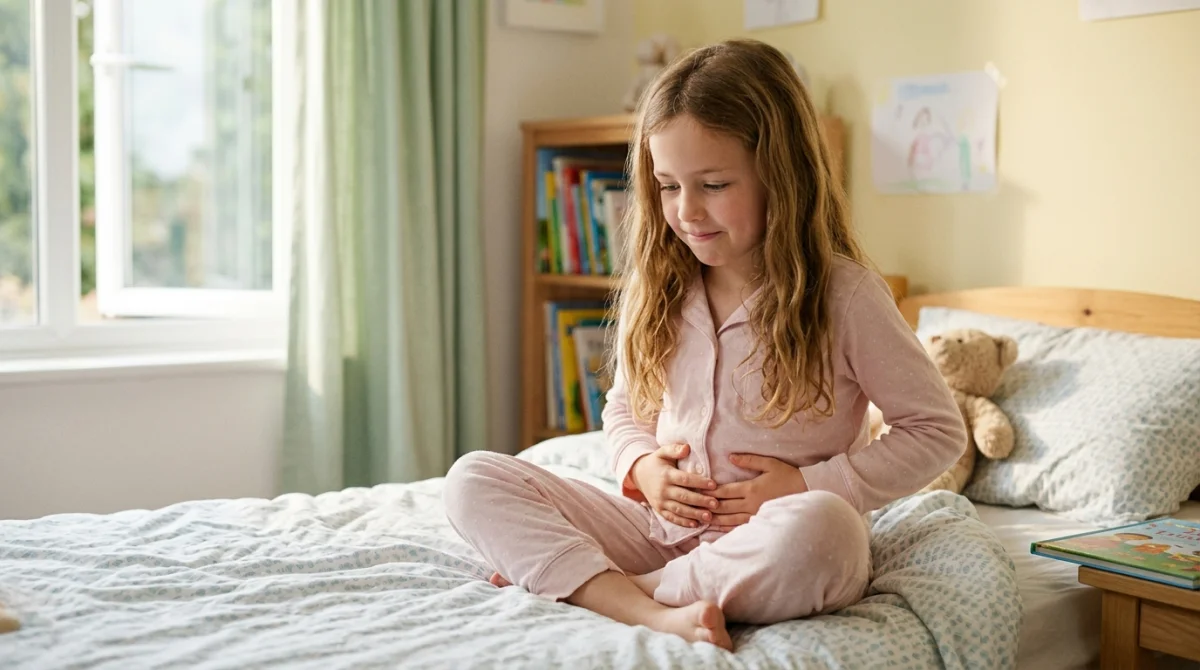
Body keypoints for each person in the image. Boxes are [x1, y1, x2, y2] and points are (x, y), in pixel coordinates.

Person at [443, 38, 966, 651]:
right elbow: (625, 409)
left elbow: (935, 431)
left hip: (774, 536)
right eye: (668, 186)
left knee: (828, 534)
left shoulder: (844, 296)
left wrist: (808, 486)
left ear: (782, 175)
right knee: (471, 479)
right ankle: (642, 599)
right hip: (657, 526)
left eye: (713, 184)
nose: (686, 211)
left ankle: (624, 593)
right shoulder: (664, 282)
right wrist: (639, 465)